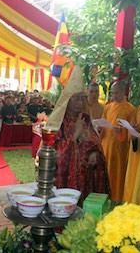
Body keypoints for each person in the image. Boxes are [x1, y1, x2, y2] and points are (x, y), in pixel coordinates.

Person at [46, 67, 110, 206]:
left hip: (86, 174)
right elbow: (53, 152)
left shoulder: (85, 117)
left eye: (83, 99)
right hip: (65, 177)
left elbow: (95, 141)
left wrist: (94, 153)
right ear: (67, 100)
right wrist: (75, 134)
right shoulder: (58, 121)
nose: (80, 104)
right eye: (76, 99)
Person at [99, 82, 136, 202]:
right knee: (105, 171)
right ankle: (105, 196)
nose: (114, 95)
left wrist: (122, 131)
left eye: (117, 93)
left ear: (123, 92)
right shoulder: (108, 107)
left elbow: (132, 129)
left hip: (120, 147)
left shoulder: (130, 109)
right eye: (112, 93)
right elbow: (103, 124)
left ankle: (117, 197)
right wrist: (100, 127)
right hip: (106, 144)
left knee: (118, 173)